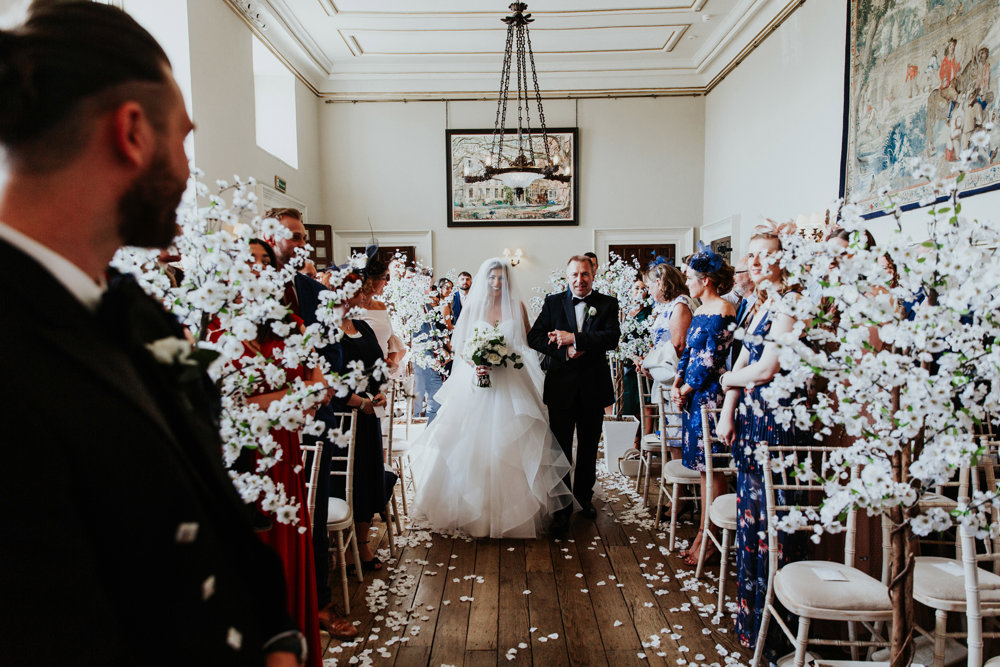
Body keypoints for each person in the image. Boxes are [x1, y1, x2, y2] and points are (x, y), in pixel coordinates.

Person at [0, 3, 304, 664]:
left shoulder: (140, 313)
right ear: (133, 132)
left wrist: (276, 635)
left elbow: (209, 504)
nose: (190, 170)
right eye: (185, 139)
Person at [410, 258, 574, 538]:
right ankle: (472, 510)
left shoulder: (518, 307)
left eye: (501, 278)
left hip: (512, 381)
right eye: (492, 278)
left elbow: (526, 343)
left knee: (515, 440)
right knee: (472, 443)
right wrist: (476, 363)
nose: (497, 282)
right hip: (477, 382)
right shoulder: (474, 306)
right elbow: (460, 346)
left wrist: (506, 358)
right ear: (484, 280)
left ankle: (519, 512)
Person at [717, 224, 807, 656]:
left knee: (773, 525)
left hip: (776, 423)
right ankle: (751, 624)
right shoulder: (756, 304)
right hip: (750, 421)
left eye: (764, 254)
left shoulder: (789, 305)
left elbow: (767, 368)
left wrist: (728, 379)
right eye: (750, 254)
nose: (754, 261)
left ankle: (775, 633)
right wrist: (727, 410)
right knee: (751, 519)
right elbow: (741, 360)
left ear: (782, 258)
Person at [528, 255, 621, 538]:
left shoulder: (607, 303)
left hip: (593, 387)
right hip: (561, 388)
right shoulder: (553, 302)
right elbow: (535, 337)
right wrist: (563, 348)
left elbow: (612, 338)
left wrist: (577, 339)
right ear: (566, 276)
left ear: (593, 275)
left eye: (585, 274)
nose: (579, 280)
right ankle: (561, 508)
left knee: (590, 447)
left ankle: (584, 498)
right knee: (561, 450)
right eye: (574, 275)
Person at [671, 245, 735, 566]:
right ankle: (701, 532)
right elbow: (688, 354)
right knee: (700, 468)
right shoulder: (698, 310)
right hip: (692, 396)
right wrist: (676, 380)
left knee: (714, 467)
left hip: (711, 398)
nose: (687, 284)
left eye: (690, 278)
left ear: (706, 280)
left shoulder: (725, 310)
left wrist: (686, 386)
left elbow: (710, 360)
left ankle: (711, 539)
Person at [327, 274, 392, 571]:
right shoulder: (327, 331)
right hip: (343, 416)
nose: (365, 299)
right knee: (345, 478)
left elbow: (378, 362)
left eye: (365, 294)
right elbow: (330, 377)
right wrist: (359, 401)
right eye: (359, 294)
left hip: (367, 417)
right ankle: (343, 548)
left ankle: (363, 544)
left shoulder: (363, 326)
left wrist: (379, 393)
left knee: (368, 476)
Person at [639, 262, 693, 452]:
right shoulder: (669, 305)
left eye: (650, 286)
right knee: (670, 436)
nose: (649, 291)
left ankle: (679, 477)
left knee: (676, 435)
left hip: (675, 377)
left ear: (661, 283)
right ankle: (673, 475)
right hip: (666, 377)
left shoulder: (680, 305)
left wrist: (652, 363)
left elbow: (678, 345)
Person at [355, 255, 406, 373]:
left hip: (383, 373)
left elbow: (391, 339)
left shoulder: (381, 306)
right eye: (384, 278)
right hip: (362, 370)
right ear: (371, 280)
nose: (386, 283)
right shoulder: (353, 308)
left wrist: (391, 364)